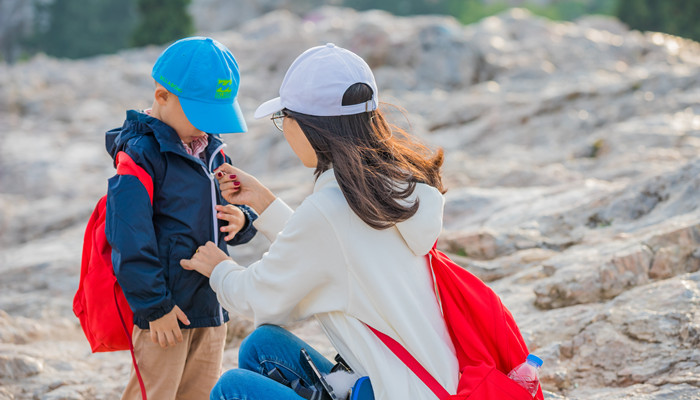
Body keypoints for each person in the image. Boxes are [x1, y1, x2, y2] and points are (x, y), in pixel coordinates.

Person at [181, 43, 459, 400]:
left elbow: (261, 298)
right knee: (262, 347)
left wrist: (220, 269)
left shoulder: (330, 210)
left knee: (232, 389)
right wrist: (265, 205)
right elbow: (336, 252)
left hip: (393, 391)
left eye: (284, 119)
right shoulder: (394, 188)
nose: (286, 130)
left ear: (310, 126)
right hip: (425, 386)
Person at [105, 36, 258, 400]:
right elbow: (129, 238)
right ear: (162, 97)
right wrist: (155, 307)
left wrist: (242, 220)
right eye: (200, 114)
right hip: (164, 311)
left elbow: (231, 204)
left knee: (201, 392)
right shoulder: (140, 156)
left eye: (215, 116)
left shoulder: (213, 150)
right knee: (155, 392)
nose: (207, 127)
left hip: (210, 304)